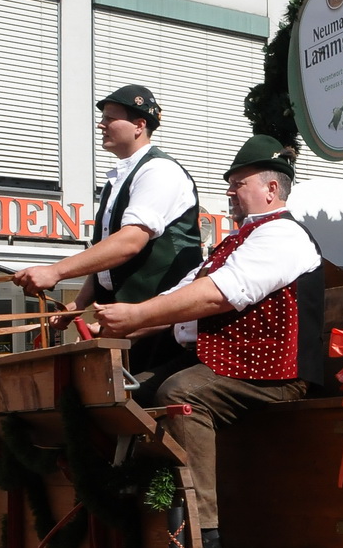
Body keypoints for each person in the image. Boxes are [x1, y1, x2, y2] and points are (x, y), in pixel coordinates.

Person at [95, 136, 324, 548]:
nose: (229, 192)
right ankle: (133, 508)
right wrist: (111, 325)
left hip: (276, 373)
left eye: (239, 183)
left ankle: (204, 533)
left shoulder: (284, 236)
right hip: (233, 366)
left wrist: (136, 315)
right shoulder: (235, 242)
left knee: (182, 393)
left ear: (271, 190)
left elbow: (217, 295)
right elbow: (185, 296)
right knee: (126, 394)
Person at [13, 85, 202, 367]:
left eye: (111, 118)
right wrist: (77, 305)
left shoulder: (159, 171)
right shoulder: (118, 180)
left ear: (139, 125)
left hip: (161, 327)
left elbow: (129, 243)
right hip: (127, 325)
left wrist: (55, 271)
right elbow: (107, 258)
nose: (102, 125)